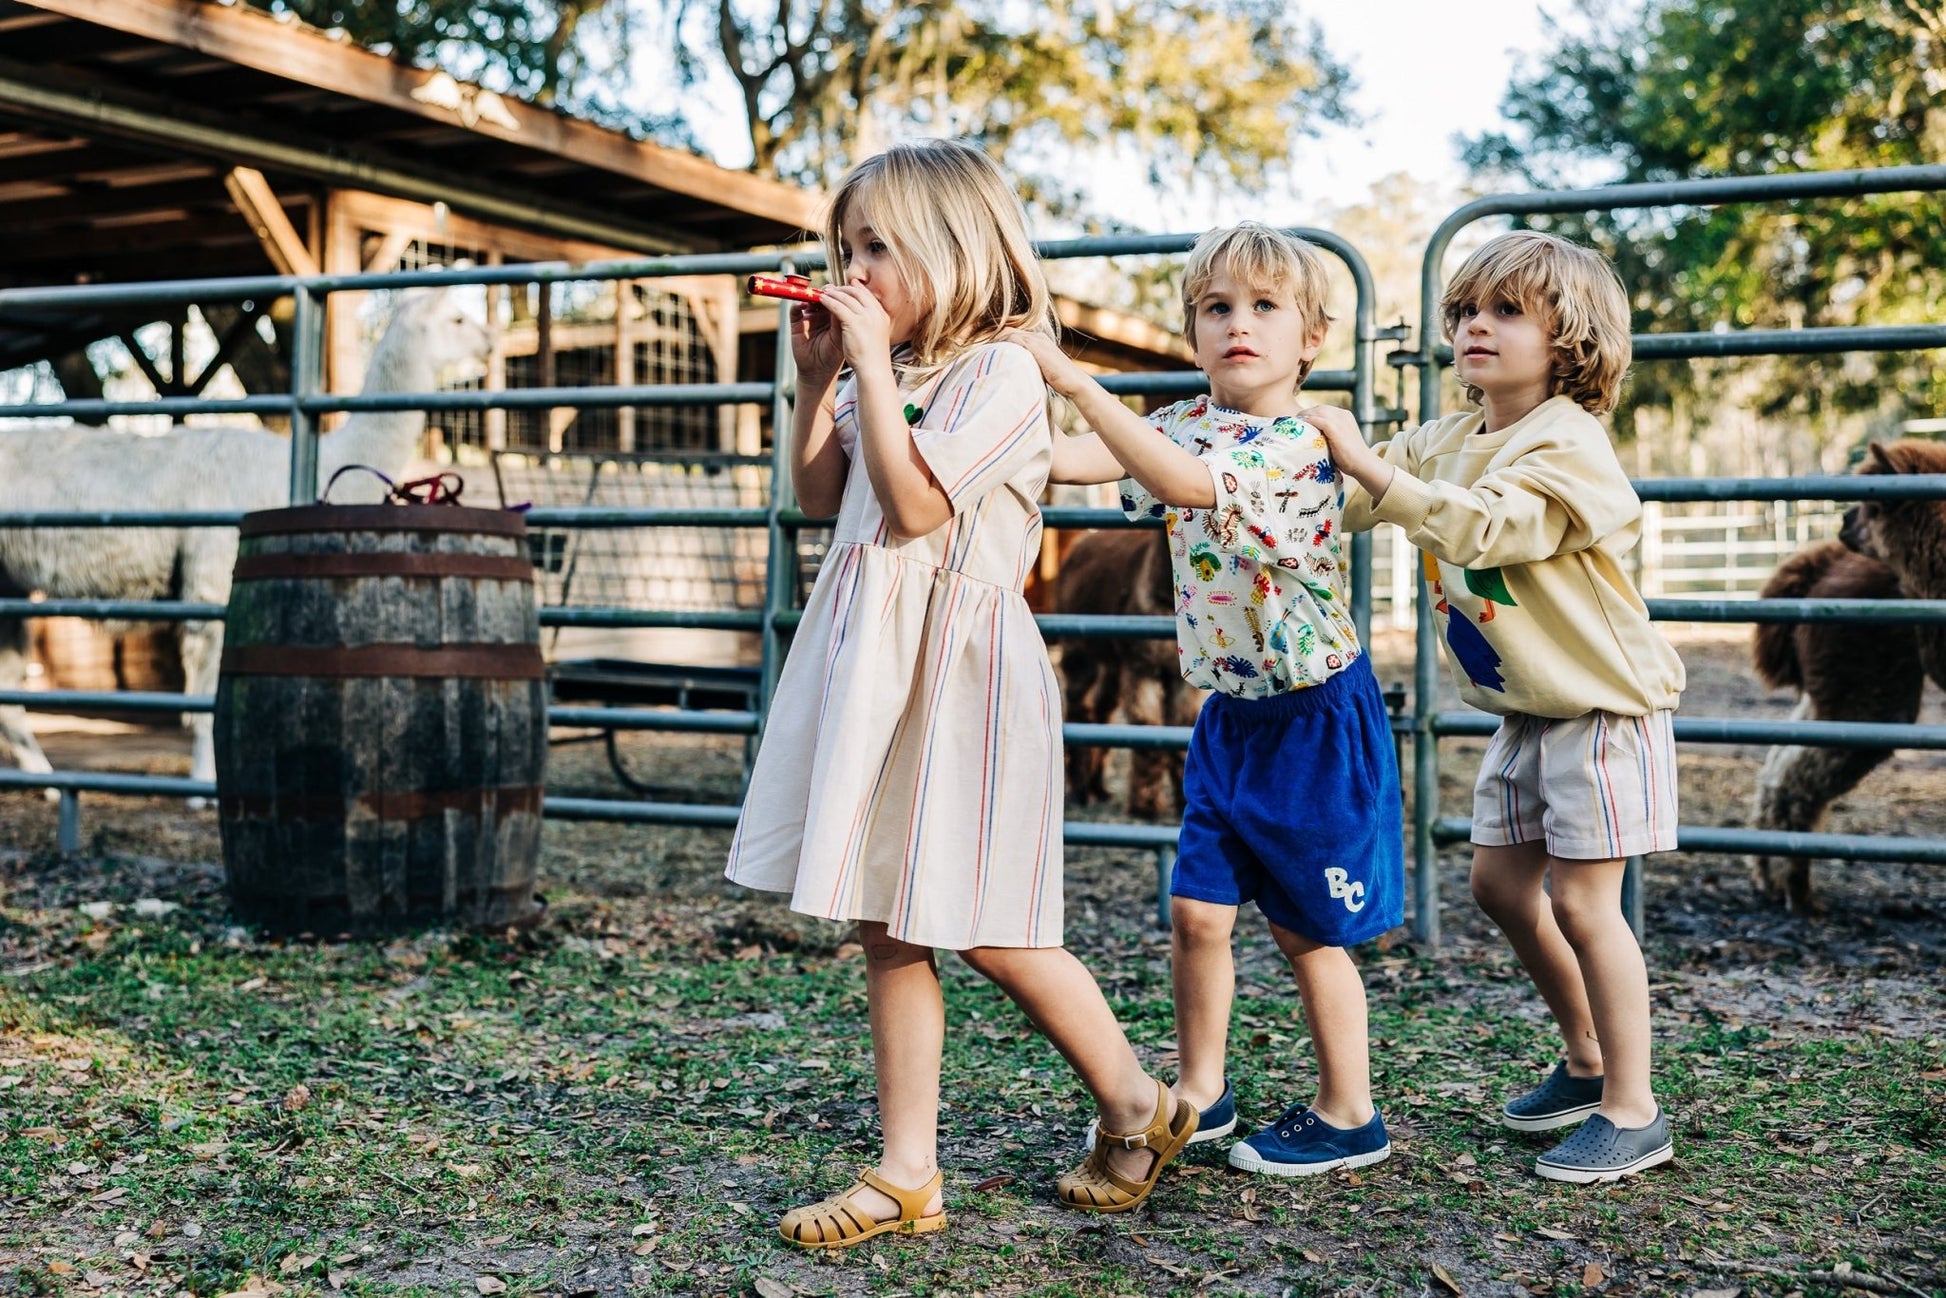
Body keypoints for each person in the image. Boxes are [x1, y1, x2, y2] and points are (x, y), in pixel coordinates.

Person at [725, 139, 1195, 1248]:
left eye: (877, 246)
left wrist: (874, 369)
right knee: (886, 920)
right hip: (873, 660)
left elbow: (916, 508)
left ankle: (1134, 1100)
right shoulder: (891, 369)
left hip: (961, 664)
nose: (855, 267)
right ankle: (904, 1172)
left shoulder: (1001, 373)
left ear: (957, 247)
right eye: (846, 247)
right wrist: (813, 384)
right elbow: (820, 495)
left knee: (984, 919)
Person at [1011, 221, 1405, 1178]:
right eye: (1217, 308)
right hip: (1229, 714)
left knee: (1306, 931)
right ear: (1193, 332)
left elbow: (1182, 482)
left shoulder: (1300, 445)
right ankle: (1200, 1089)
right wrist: (976, 400)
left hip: (1314, 715)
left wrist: (1072, 380)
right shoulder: (1185, 417)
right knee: (1197, 912)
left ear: (1311, 337)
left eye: (1266, 307)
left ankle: (1350, 1112)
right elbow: (1082, 461)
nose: (1240, 325)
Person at [1303, 230, 1686, 1183]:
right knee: (1499, 887)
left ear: (1570, 340)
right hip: (1528, 711)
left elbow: (1489, 526)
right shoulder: (1445, 435)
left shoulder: (1568, 441)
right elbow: (1347, 488)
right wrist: (1259, 464)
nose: (1479, 325)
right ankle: (1587, 1059)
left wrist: (1374, 474)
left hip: (1602, 710)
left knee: (1584, 900)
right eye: (1470, 309)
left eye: (1509, 311)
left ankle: (1634, 1109)